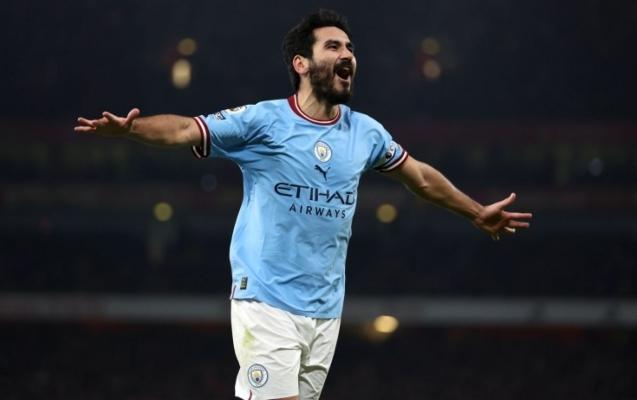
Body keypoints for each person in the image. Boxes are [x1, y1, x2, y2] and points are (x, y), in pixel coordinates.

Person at [75, 9, 532, 400]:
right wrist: (131, 130)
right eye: (333, 46)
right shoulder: (263, 121)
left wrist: (476, 211)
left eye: (350, 47)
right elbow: (184, 130)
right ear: (302, 63)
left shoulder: (366, 132)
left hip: (325, 311)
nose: (347, 54)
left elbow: (421, 178)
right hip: (266, 301)